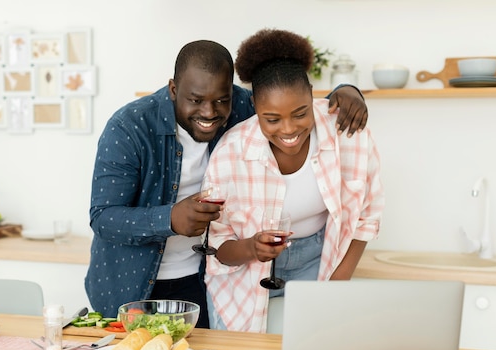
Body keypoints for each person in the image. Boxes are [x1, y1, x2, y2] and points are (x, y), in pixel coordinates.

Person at [85, 38, 369, 328]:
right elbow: (103, 217)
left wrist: (346, 92)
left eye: (221, 100)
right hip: (130, 283)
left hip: (204, 278)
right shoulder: (129, 127)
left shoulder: (241, 107)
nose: (209, 113)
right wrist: (170, 219)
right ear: (173, 89)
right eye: (195, 100)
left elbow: (288, 99)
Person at [203, 29, 384, 332]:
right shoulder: (230, 151)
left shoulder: (346, 132)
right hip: (245, 272)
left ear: (313, 95)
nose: (288, 130)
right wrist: (251, 248)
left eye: (300, 113)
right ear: (254, 108)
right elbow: (217, 247)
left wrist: (335, 286)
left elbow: (366, 216)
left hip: (320, 258)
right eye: (271, 119)